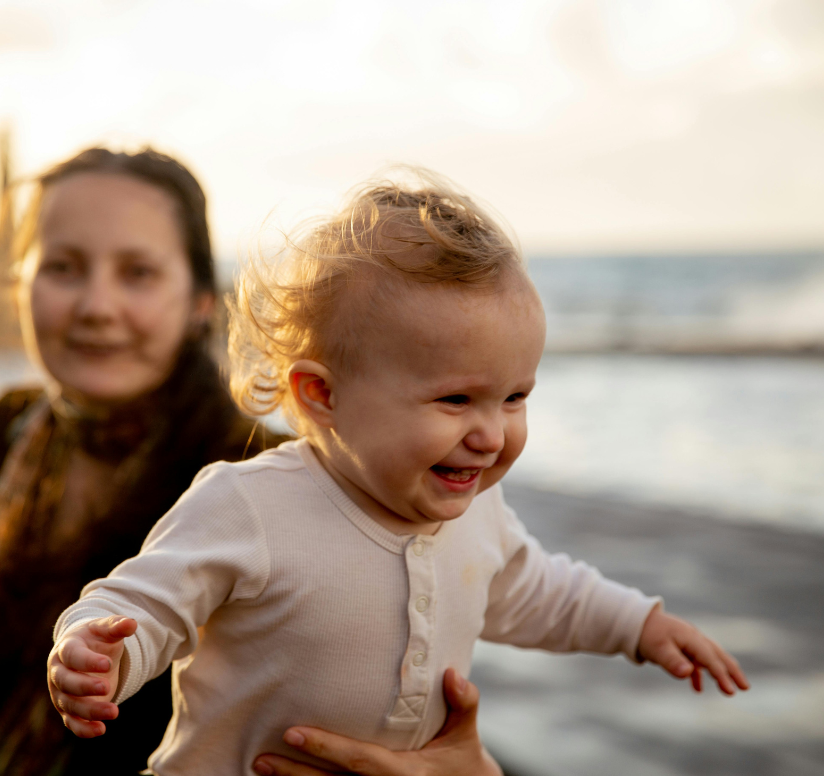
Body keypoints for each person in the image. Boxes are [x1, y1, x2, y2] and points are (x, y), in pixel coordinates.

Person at [0, 147, 498, 776]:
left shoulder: (270, 479)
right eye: (64, 267)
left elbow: (391, 676)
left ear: (197, 302)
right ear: (23, 286)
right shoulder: (10, 433)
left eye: (137, 273)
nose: (97, 306)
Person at [47, 171, 749, 775]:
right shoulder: (250, 504)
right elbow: (150, 602)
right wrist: (100, 653)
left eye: (515, 397)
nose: (491, 433)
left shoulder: (477, 516)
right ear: (322, 395)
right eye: (455, 399)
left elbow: (539, 591)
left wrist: (640, 626)